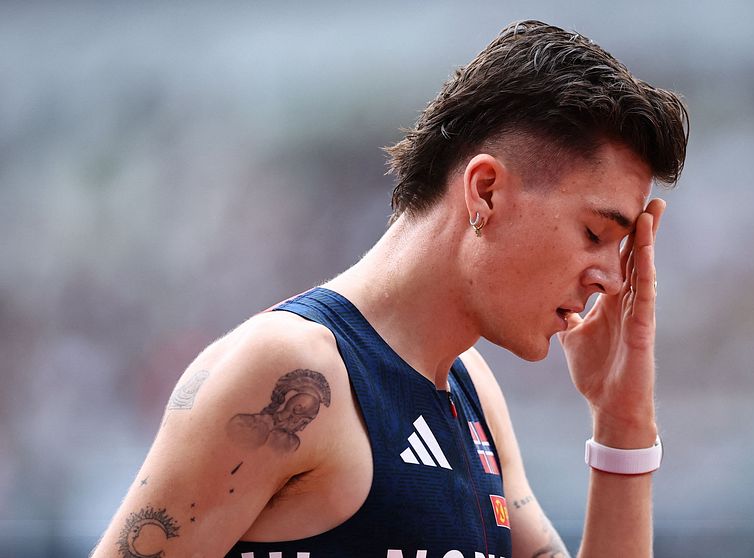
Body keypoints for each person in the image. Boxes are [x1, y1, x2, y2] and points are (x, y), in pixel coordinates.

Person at [92, 19, 688, 558]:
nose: (611, 277)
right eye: (595, 233)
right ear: (485, 191)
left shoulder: (471, 388)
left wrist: (622, 422)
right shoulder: (290, 370)